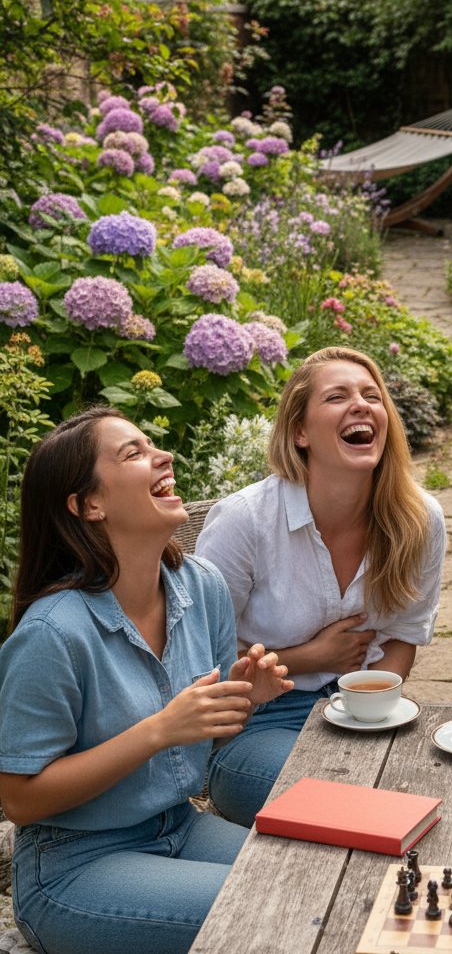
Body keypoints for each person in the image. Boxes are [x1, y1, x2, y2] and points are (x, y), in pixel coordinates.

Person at [0, 409, 293, 954]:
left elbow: (200, 748)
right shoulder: (52, 634)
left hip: (179, 825)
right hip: (75, 864)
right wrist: (160, 729)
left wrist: (239, 700)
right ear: (89, 505)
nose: (163, 456)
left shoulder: (199, 585)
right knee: (271, 904)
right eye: (132, 453)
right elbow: (19, 798)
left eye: (152, 444)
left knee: (317, 879)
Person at [195, 347, 445, 826]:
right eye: (337, 396)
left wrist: (369, 704)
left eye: (373, 396)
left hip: (365, 711)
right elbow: (197, 664)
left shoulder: (420, 520)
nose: (361, 405)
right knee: (346, 801)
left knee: (430, 785)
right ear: (300, 432)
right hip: (256, 723)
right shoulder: (245, 521)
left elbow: (403, 636)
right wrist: (310, 658)